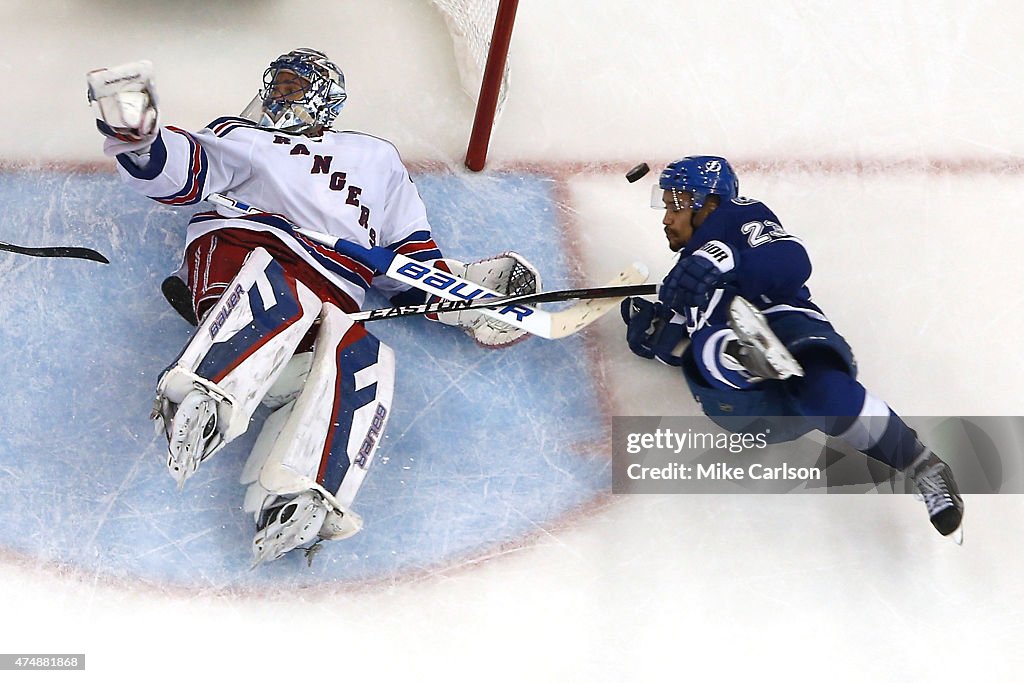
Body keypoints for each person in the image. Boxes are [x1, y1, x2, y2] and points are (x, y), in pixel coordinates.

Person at [87, 49, 539, 564]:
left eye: (294, 86)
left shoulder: (378, 159)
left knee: (359, 357)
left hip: (338, 291)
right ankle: (207, 392)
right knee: (285, 294)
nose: (280, 93)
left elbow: (408, 263)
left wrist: (460, 298)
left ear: (326, 99)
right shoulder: (245, 136)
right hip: (253, 252)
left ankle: (300, 491)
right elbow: (183, 172)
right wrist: (142, 142)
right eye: (276, 83)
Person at [621, 155, 964, 539]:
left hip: (786, 331)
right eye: (665, 206)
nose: (667, 218)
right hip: (748, 410)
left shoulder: (735, 217)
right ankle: (745, 355)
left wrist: (726, 259)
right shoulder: (683, 278)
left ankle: (924, 467)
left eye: (676, 205)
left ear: (710, 203)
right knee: (704, 349)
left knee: (826, 391)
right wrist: (653, 334)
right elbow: (680, 345)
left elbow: (792, 260)